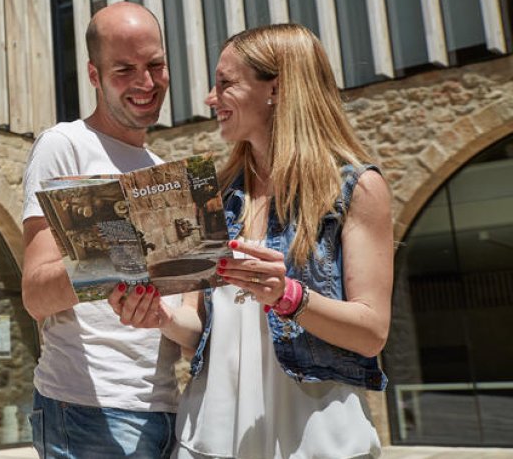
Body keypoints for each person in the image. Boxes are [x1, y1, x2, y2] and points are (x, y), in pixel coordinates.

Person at [111, 23, 393, 458]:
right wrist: (158, 315)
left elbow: (371, 333)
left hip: (316, 440)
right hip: (209, 438)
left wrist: (289, 297)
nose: (210, 98)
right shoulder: (210, 196)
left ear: (275, 90)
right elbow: (195, 330)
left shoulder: (355, 188)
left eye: (225, 84)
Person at [21, 2, 179, 458]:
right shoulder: (64, 145)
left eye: (155, 65)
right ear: (94, 75)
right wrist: (120, 254)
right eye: (124, 69)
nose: (146, 83)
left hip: (166, 408)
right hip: (87, 411)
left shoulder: (161, 171)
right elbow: (36, 294)